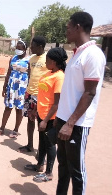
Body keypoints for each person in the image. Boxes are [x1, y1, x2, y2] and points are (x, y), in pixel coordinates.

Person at [55, 12, 106, 194]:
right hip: (64, 120)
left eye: (68, 27)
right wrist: (59, 117)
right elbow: (70, 90)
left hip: (77, 124)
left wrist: (70, 123)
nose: (66, 31)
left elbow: (89, 92)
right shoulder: (77, 54)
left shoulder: (93, 55)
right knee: (63, 167)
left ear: (78, 27)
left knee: (77, 171)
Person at [24, 47, 67, 183]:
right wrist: (35, 111)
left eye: (47, 59)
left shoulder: (59, 77)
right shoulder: (48, 73)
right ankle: (39, 165)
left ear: (54, 62)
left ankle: (49, 173)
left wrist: (45, 120)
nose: (45, 62)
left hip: (50, 117)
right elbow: (41, 95)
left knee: (49, 144)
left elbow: (56, 103)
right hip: (41, 114)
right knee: (42, 141)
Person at [19, 36, 49, 153]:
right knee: (30, 119)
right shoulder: (31, 59)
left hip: (41, 95)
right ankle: (30, 145)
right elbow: (31, 74)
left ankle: (42, 152)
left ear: (40, 47)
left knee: (41, 123)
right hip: (30, 93)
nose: (31, 47)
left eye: (33, 45)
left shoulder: (47, 59)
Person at [0, 40, 29, 138]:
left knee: (19, 109)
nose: (18, 50)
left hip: (22, 88)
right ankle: (2, 128)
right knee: (8, 107)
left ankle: (15, 130)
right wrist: (4, 87)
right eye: (17, 48)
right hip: (11, 87)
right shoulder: (12, 58)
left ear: (25, 49)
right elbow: (9, 72)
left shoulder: (29, 60)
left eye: (20, 48)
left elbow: (30, 75)